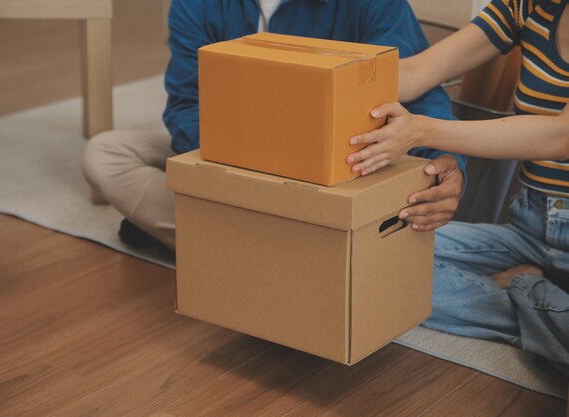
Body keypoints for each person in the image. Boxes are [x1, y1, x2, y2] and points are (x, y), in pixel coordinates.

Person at [82, 0, 467, 251]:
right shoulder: (196, 5)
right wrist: (254, 166)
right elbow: (186, 106)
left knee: (393, 211)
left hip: (344, 170)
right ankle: (272, 248)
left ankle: (211, 242)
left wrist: (441, 163)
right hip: (237, 164)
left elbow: (419, 91)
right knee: (106, 153)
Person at [347, 0, 569, 373]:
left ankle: (527, 295)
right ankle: (540, 302)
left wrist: (421, 128)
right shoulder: (527, 7)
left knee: (395, 285)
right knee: (365, 260)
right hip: (530, 224)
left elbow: (560, 136)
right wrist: (326, 80)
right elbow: (419, 70)